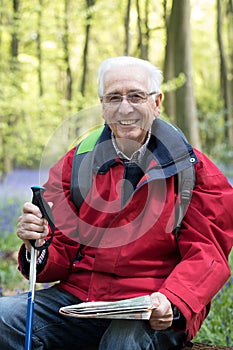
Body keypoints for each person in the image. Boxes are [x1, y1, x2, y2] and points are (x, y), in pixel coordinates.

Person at [0, 56, 233, 350]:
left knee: (122, 343)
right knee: (3, 318)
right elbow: (60, 252)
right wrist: (40, 242)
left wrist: (172, 300)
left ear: (156, 102)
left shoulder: (193, 170)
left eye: (136, 96)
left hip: (150, 304)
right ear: (102, 106)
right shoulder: (77, 163)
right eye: (113, 98)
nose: (125, 108)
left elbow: (207, 254)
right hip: (80, 300)